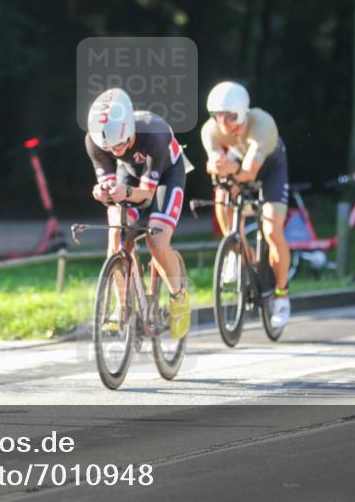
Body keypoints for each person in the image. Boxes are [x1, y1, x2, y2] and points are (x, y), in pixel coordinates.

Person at [85, 87, 191, 340]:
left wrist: (125, 193)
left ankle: (178, 296)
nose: (115, 150)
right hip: (130, 174)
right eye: (109, 148)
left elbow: (146, 194)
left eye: (120, 144)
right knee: (116, 235)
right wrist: (103, 192)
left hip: (167, 176)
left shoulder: (154, 132)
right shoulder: (95, 140)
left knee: (157, 240)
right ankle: (122, 306)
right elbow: (112, 186)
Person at [200, 81, 291, 331]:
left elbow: (249, 173)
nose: (223, 124)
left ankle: (282, 294)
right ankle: (236, 250)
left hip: (270, 169)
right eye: (217, 116)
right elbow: (216, 167)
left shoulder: (263, 123)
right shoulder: (210, 131)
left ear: (241, 112)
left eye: (229, 117)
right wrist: (215, 166)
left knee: (273, 230)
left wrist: (228, 168)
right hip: (240, 164)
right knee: (222, 194)